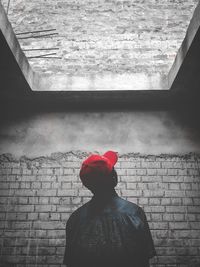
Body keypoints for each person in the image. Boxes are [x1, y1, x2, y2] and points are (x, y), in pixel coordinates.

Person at [63, 151, 156, 267]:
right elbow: (144, 260)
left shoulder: (75, 220)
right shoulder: (135, 213)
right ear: (114, 177)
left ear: (87, 184)